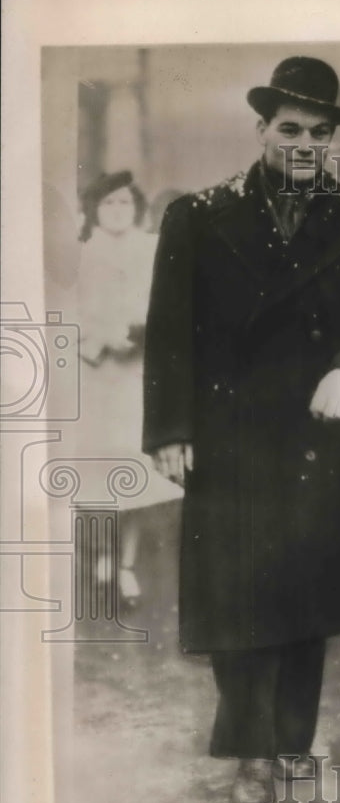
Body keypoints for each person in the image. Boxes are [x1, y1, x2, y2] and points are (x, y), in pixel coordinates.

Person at [142, 57, 340, 803]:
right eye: (289, 129)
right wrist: (168, 429)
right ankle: (253, 755)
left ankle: (293, 742)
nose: (304, 144)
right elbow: (169, 332)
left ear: (335, 140)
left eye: (320, 133)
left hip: (320, 436)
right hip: (229, 438)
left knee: (305, 598)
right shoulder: (196, 216)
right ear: (261, 129)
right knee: (236, 603)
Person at [76, 170, 182, 605]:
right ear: (94, 209)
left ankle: (126, 566)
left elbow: (168, 305)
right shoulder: (79, 254)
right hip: (94, 374)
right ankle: (102, 554)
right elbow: (66, 309)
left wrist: (139, 335)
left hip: (137, 375)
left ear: (136, 208)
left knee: (135, 474)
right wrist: (98, 341)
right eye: (108, 204)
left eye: (124, 203)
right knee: (98, 471)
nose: (117, 211)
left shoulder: (153, 250)